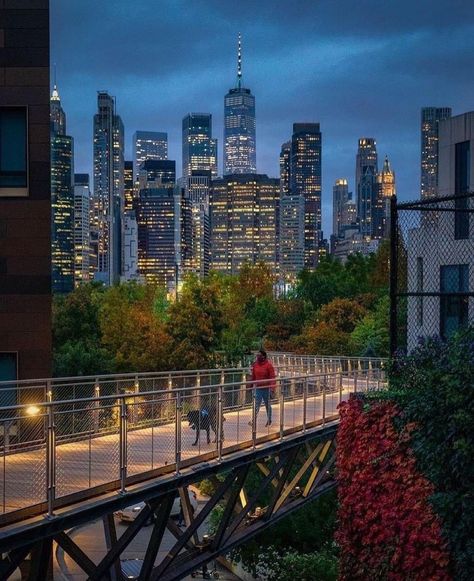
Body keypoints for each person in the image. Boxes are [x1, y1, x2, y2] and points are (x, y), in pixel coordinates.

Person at [249, 349, 276, 427]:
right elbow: (253, 376)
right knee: (256, 405)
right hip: (258, 388)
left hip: (266, 388)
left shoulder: (268, 365)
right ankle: (253, 420)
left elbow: (272, 377)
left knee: (267, 405)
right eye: (257, 355)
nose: (258, 357)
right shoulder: (255, 365)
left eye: (260, 355)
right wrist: (250, 386)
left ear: (264, 356)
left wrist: (272, 388)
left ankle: (269, 419)